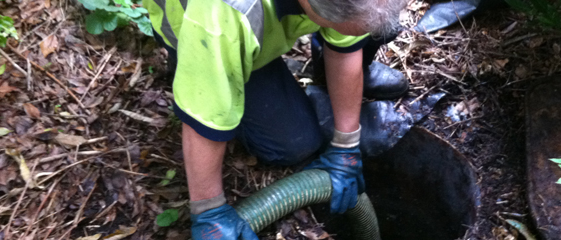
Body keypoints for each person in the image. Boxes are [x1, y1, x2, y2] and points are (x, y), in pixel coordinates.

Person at [142, 0, 409, 238]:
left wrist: (347, 144)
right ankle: (196, 67)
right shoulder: (220, 21)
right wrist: (208, 210)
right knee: (294, 145)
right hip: (198, 33)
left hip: (255, 26)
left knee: (375, 25)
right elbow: (204, 117)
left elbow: (346, 49)